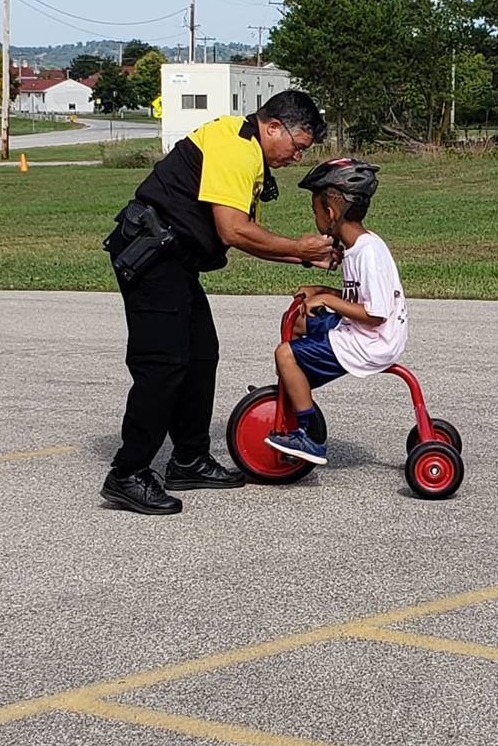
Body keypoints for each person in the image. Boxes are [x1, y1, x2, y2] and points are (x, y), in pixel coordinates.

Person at [102, 90, 336, 515]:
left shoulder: (247, 148)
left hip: (174, 259)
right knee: (163, 364)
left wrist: (305, 257)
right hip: (152, 258)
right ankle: (128, 473)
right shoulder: (237, 148)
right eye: (298, 146)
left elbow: (245, 235)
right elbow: (234, 230)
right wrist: (299, 248)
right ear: (273, 127)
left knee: (201, 355)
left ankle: (188, 460)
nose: (297, 157)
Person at [264, 158, 408, 465]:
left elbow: (376, 313)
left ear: (330, 213)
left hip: (372, 341)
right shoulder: (356, 247)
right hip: (362, 331)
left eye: (314, 211)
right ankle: (296, 390)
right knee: (299, 321)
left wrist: (327, 301)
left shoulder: (369, 253)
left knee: (285, 355)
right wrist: (323, 291)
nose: (314, 217)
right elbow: (360, 297)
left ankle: (312, 436)